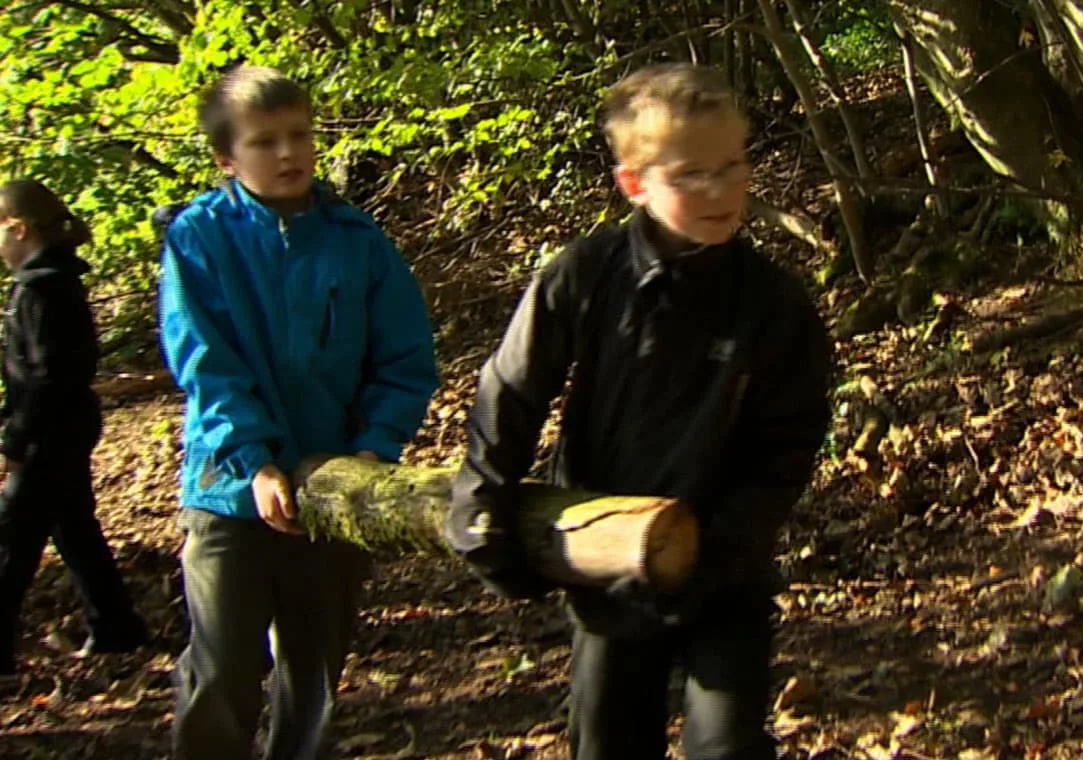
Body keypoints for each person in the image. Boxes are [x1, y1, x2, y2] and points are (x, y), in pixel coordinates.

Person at [446, 62, 832, 759]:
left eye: (732, 165)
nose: (719, 189)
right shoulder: (585, 276)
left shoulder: (773, 305)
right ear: (635, 183)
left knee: (728, 745)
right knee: (609, 742)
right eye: (689, 175)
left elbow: (789, 442)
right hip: (605, 567)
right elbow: (511, 391)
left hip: (724, 573)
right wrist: (484, 512)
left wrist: (718, 549)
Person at [158, 65, 438, 759]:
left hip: (331, 488)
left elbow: (403, 357)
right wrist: (253, 463)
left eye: (299, 135)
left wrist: (371, 451)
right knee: (223, 665)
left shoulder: (356, 240)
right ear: (227, 157)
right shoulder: (200, 238)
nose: (288, 154)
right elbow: (204, 363)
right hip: (228, 492)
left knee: (313, 671)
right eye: (264, 141)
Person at [0, 179, 148, 676]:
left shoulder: (44, 289)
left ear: (18, 228)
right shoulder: (45, 284)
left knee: (11, 539)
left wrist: (15, 440)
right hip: (59, 431)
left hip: (51, 436)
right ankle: (116, 628)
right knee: (74, 531)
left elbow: (48, 376)